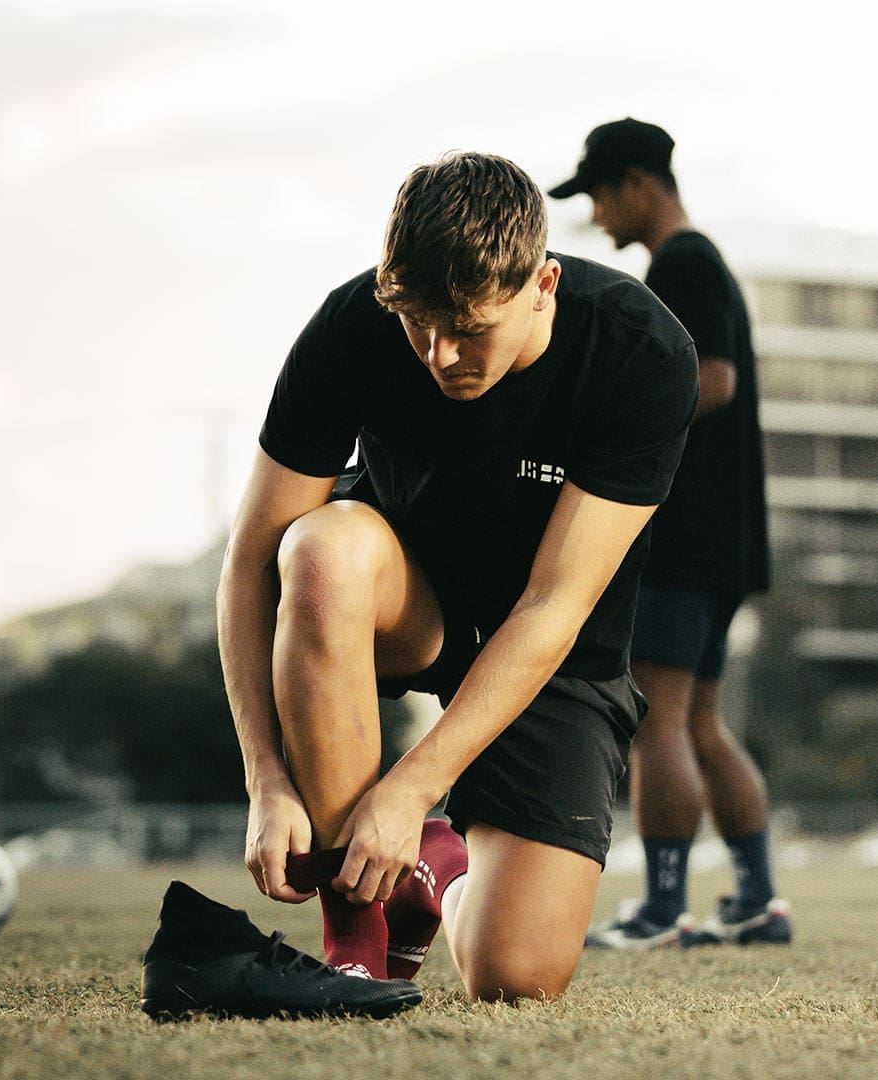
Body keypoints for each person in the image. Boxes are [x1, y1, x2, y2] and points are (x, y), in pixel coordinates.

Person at [142, 151, 697, 1008]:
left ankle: (433, 869)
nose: (440, 355)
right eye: (418, 325)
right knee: (318, 552)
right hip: (410, 602)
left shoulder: (641, 352)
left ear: (542, 284)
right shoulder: (352, 326)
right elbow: (249, 564)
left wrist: (411, 789)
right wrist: (266, 777)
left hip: (549, 643)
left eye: (469, 328)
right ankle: (356, 947)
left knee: (517, 977)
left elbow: (556, 602)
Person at [550, 119, 788, 949]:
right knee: (698, 725)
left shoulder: (681, 262)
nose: (596, 218)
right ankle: (757, 901)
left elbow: (711, 379)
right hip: (726, 543)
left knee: (657, 722)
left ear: (638, 185)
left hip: (686, 537)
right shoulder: (701, 260)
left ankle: (660, 912)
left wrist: (614, 426)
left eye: (598, 197)